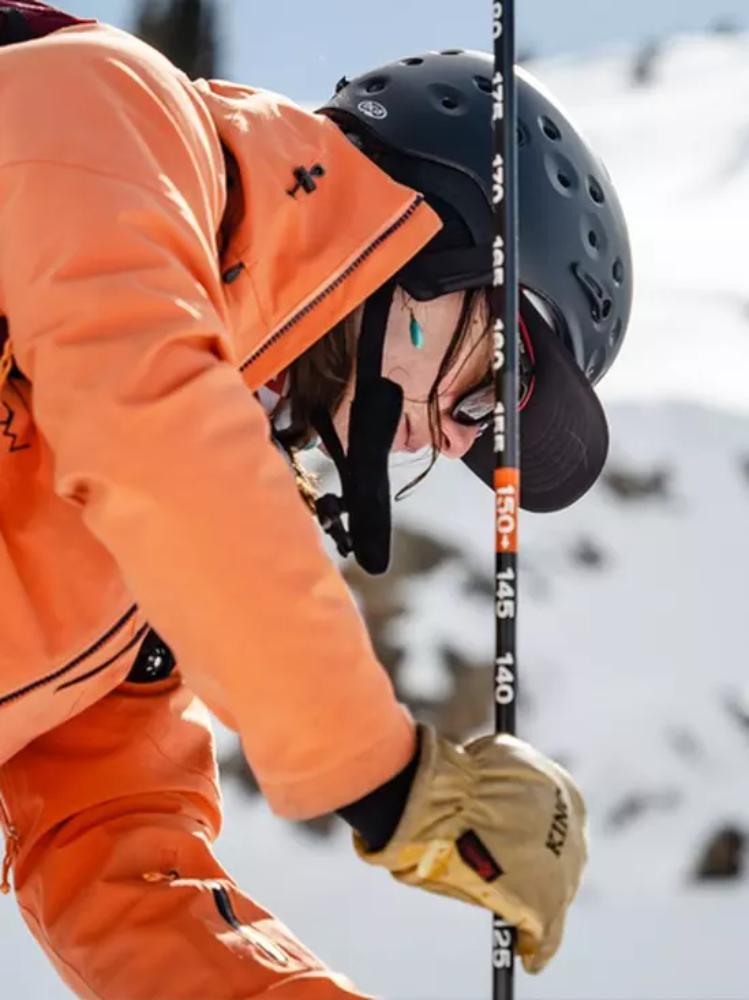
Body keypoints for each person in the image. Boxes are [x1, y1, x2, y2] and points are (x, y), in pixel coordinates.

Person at [0, 3, 632, 997]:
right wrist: (388, 778)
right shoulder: (108, 105)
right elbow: (145, 414)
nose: (452, 440)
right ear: (440, 243)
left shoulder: (154, 566)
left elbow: (115, 845)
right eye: (491, 386)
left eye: (481, 440)